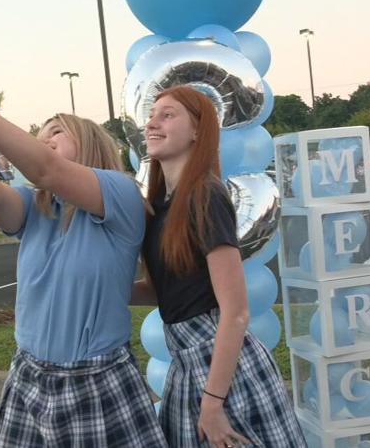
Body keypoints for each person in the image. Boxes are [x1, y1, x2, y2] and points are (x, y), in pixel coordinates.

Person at [0, 45, 167, 447]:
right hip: (28, 374)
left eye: (55, 132)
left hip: (96, 379)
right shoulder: (35, 205)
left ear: (89, 142)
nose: (44, 140)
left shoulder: (121, 194)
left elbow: (46, 168)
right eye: (39, 136)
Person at [131, 86, 306, 448]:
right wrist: (95, 290)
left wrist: (212, 404)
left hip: (223, 371)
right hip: (186, 363)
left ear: (198, 131)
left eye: (167, 115)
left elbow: (236, 312)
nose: (152, 123)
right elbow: (166, 292)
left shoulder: (205, 195)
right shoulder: (160, 206)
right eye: (151, 115)